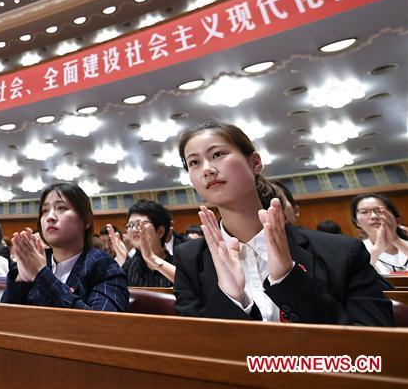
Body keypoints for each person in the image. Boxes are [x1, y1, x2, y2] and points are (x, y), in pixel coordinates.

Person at [174, 120, 393, 325]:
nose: (207, 170)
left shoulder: (343, 252)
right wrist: (232, 298)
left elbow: (373, 345)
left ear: (255, 163)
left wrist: (288, 280)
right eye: (194, 162)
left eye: (218, 154)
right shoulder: (189, 260)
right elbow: (196, 347)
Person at [1, 183, 128, 312]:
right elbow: (3, 323)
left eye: (61, 208)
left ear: (86, 220)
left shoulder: (103, 265)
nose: (50, 217)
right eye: (45, 211)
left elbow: (101, 325)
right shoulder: (34, 261)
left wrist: (42, 274)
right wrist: (21, 280)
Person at [109, 200, 176, 287]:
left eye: (139, 224)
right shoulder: (128, 266)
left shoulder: (179, 264)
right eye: (130, 225)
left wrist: (152, 258)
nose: (134, 229)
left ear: (160, 232)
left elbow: (189, 284)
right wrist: (118, 263)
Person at [351, 193, 408, 275]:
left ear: (397, 220)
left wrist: (396, 240)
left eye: (380, 210)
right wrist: (377, 249)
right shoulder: (354, 252)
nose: (374, 216)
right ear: (357, 222)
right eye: (364, 212)